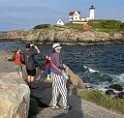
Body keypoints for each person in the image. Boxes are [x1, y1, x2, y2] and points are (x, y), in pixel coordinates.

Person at [50, 43, 69, 110]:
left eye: (60, 48)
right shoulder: (57, 54)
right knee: (64, 90)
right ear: (55, 49)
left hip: (53, 74)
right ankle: (65, 105)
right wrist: (64, 66)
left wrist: (62, 64)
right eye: (58, 49)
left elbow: (54, 63)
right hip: (58, 74)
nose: (59, 50)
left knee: (55, 90)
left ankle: (54, 105)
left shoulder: (52, 55)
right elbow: (58, 64)